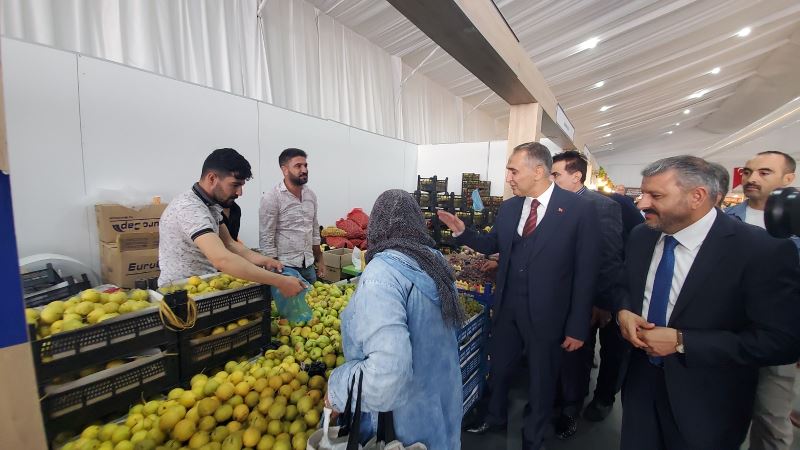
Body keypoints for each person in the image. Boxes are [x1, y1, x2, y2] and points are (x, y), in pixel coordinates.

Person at [616, 155, 800, 450]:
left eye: (656, 196)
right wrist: (623, 312)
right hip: (640, 384)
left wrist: (682, 341)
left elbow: (781, 341)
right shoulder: (642, 236)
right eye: (643, 193)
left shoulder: (761, 251)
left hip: (709, 399)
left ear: (696, 197)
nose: (641, 204)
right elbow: (625, 286)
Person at [438, 142, 601, 450]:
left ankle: (533, 438)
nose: (509, 177)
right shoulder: (512, 207)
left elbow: (586, 272)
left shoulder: (579, 210)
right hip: (508, 308)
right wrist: (463, 232)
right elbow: (492, 243)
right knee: (499, 369)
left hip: (549, 315)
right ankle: (494, 415)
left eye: (513, 170)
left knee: (541, 381)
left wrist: (578, 325)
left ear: (538, 170)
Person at [326, 190, 464, 450]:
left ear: (377, 227)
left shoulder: (382, 274)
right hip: (442, 418)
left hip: (402, 431)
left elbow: (386, 378)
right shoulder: (437, 264)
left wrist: (337, 390)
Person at [724, 151, 799, 450]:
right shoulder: (724, 219)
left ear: (788, 179)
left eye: (764, 172)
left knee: (770, 418)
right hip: (725, 331)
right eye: (748, 171)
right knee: (720, 413)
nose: (752, 179)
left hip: (776, 335)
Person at [158, 148, 305, 298]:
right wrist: (280, 281)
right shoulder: (190, 208)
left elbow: (230, 244)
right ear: (212, 178)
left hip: (204, 288)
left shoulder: (210, 206)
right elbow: (221, 259)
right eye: (235, 185)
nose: (239, 192)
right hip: (180, 295)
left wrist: (265, 260)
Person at [550, 151, 625, 436]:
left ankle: (571, 410)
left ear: (576, 175)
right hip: (556, 298)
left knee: (579, 356)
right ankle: (557, 399)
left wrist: (601, 303)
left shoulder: (600, 207)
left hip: (587, 300)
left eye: (556, 174)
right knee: (559, 355)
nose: (551, 179)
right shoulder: (551, 204)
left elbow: (607, 259)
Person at [259, 148, 324, 284]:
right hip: (285, 268)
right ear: (285, 170)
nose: (304, 170)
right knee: (291, 305)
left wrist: (320, 259)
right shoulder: (272, 197)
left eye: (305, 165)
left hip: (308, 265)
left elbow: (314, 229)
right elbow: (266, 237)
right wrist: (275, 274)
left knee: (313, 302)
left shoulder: (310, 195)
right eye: (298, 166)